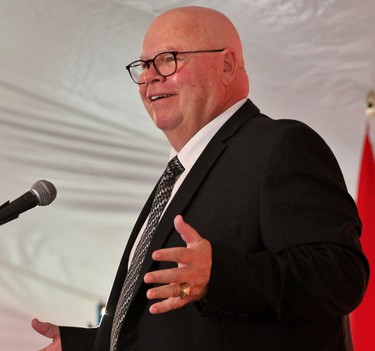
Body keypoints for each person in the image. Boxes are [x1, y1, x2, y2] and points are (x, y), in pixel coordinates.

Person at [32, 6, 369, 351]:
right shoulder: (180, 173)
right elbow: (177, 330)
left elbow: (341, 275)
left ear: (226, 65)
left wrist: (220, 275)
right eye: (144, 65)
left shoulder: (279, 146)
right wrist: (83, 344)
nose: (150, 77)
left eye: (168, 59)